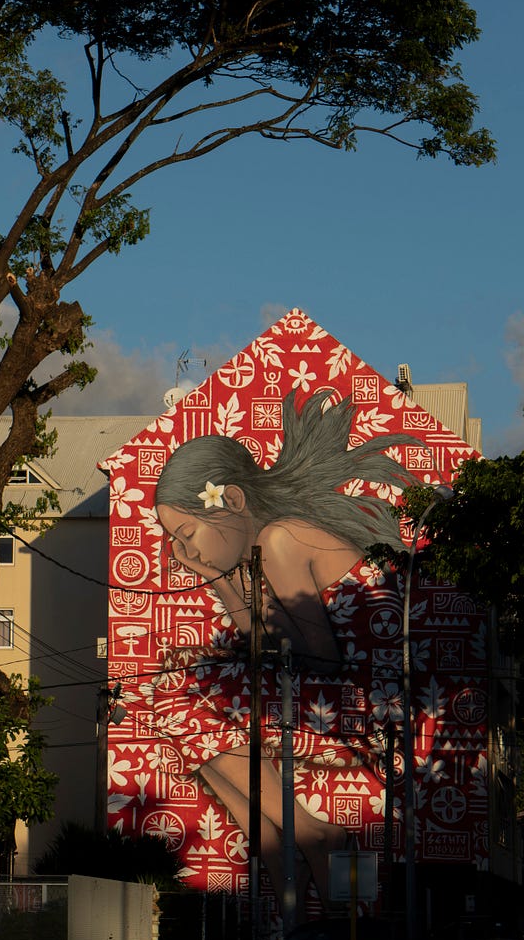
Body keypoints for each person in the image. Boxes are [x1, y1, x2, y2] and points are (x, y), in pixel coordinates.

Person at [151, 387, 415, 907]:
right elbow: (268, 649)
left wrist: (248, 638)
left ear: (231, 502)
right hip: (340, 696)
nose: (183, 552)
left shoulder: (280, 540)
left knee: (182, 704)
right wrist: (220, 580)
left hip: (369, 706)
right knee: (182, 713)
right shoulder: (264, 546)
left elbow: (319, 658)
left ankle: (313, 833)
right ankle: (276, 843)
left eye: (186, 532)